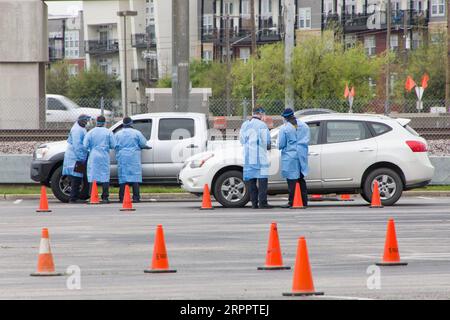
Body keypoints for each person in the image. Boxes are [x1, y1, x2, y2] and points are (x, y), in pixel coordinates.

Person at [239, 107, 272, 209]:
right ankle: (263, 203)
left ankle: (254, 203)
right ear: (261, 114)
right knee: (262, 180)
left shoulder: (245, 124)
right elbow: (267, 142)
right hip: (259, 156)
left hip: (248, 156)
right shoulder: (262, 125)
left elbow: (241, 140)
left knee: (251, 181)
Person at [278, 108, 310, 208]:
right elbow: (307, 139)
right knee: (301, 178)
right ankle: (304, 201)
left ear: (285, 117)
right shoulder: (304, 126)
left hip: (290, 156)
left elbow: (281, 144)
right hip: (301, 154)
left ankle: (292, 202)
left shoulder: (285, 128)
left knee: (292, 180)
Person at [114, 117, 151, 203]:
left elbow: (114, 145)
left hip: (122, 157)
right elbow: (143, 143)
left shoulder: (118, 134)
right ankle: (136, 197)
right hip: (133, 157)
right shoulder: (136, 133)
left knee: (123, 177)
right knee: (135, 177)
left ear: (123, 124)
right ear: (131, 123)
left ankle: (122, 197)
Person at [83, 115, 116, 203]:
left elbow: (85, 145)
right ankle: (105, 197)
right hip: (104, 155)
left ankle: (92, 195)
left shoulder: (91, 132)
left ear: (96, 122)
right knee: (105, 175)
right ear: (105, 123)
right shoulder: (108, 132)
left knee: (92, 175)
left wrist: (91, 148)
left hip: (94, 155)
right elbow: (113, 145)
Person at [62, 114, 91, 203]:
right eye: (85, 120)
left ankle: (76, 197)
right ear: (81, 121)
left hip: (77, 156)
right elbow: (77, 146)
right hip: (75, 157)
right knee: (76, 178)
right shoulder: (77, 130)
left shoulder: (80, 128)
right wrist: (82, 157)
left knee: (78, 177)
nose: (87, 122)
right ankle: (73, 198)